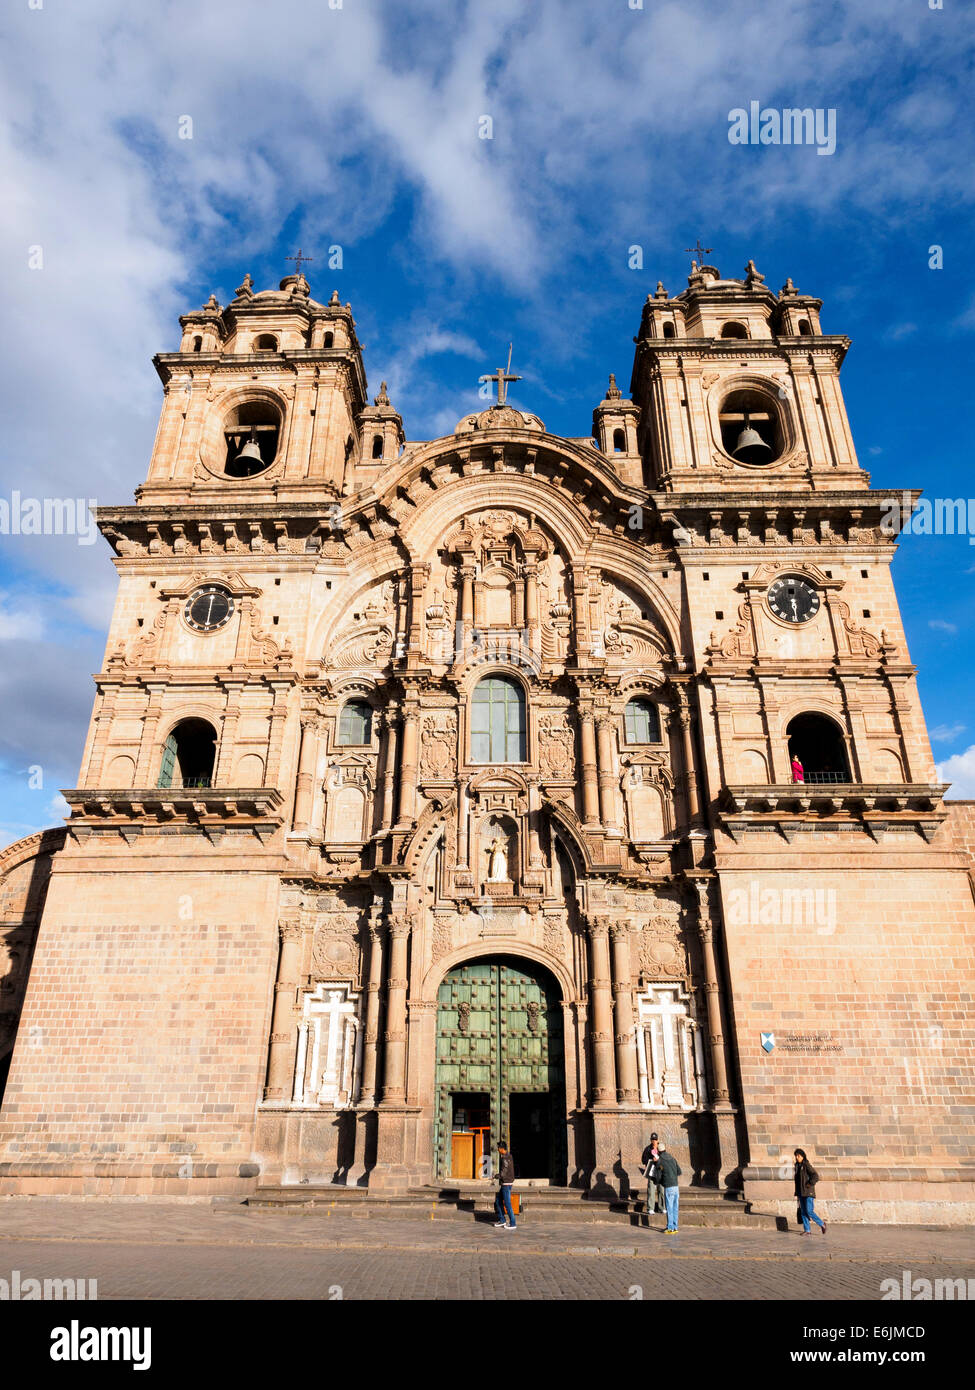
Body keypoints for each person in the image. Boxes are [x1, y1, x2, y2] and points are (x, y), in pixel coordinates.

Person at [794, 1148, 827, 1235]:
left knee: (809, 1211)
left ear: (803, 1156)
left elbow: (815, 1176)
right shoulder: (797, 1166)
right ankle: (807, 1230)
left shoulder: (806, 1165)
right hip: (801, 1193)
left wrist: (809, 1184)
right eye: (796, 1156)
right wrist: (797, 1193)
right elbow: (797, 1181)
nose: (797, 1157)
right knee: (803, 1212)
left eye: (799, 1156)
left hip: (808, 1192)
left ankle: (822, 1224)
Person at [655, 1143, 682, 1233]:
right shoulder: (673, 1159)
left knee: (669, 1208)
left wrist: (658, 1182)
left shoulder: (660, 1160)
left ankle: (670, 1228)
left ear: (658, 1151)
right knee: (675, 1207)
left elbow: (658, 1175)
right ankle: (675, 1227)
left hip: (668, 1186)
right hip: (676, 1186)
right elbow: (679, 1171)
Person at [494, 1141, 516, 1230]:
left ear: (502, 1149)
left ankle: (513, 1223)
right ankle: (502, 1220)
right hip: (506, 1183)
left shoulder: (505, 1159)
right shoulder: (509, 1156)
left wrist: (495, 1176)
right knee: (498, 1201)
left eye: (499, 1148)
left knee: (507, 1204)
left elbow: (503, 1173)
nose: (498, 1149)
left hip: (506, 1184)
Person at [642, 1133, 662, 1215]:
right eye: (652, 1140)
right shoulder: (647, 1149)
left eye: (655, 1140)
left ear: (658, 1140)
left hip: (660, 1170)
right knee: (651, 1189)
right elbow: (643, 1159)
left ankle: (662, 1207)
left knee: (662, 1189)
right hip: (651, 1170)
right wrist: (651, 1160)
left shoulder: (661, 1148)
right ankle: (650, 1208)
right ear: (650, 1140)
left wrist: (658, 1159)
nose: (654, 1141)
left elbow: (665, 1156)